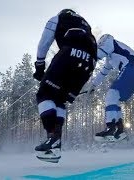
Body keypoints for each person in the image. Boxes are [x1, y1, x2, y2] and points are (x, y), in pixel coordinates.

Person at [33, 9, 97, 162]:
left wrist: (40, 67)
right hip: (90, 63)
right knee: (59, 99)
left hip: (70, 54)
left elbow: (44, 43)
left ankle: (52, 137)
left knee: (44, 94)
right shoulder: (85, 24)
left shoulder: (58, 18)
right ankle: (56, 143)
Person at [89, 34, 134, 142]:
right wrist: (92, 86)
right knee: (114, 99)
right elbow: (103, 73)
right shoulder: (110, 58)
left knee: (111, 95)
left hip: (132, 68)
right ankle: (120, 131)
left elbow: (98, 55)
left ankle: (111, 128)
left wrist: (83, 57)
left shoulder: (110, 42)